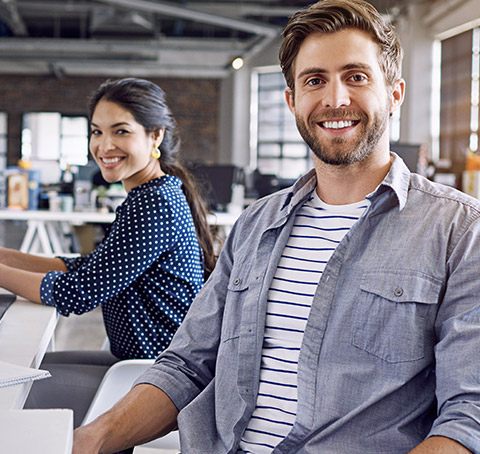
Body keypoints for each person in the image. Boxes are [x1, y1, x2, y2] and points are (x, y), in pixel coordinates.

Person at [74, 1, 480, 453]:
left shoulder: (459, 232)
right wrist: (86, 441)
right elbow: (187, 366)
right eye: (314, 81)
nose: (335, 99)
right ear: (293, 101)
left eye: (357, 77)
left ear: (395, 93)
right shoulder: (256, 225)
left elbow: (468, 418)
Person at [0, 77, 216, 427]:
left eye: (120, 131)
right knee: (28, 367)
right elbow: (92, 268)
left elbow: (77, 293)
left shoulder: (154, 204)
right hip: (135, 361)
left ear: (155, 136)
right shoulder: (149, 195)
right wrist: (7, 257)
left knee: (13, 390)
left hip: (155, 378)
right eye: (96, 132)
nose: (104, 145)